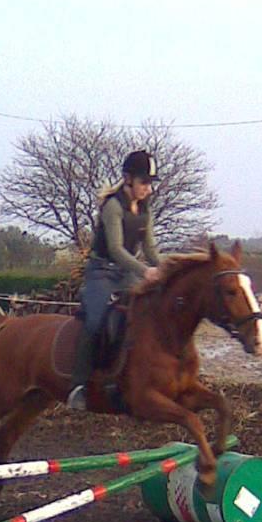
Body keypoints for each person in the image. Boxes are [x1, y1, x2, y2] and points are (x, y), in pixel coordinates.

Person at [67, 150, 163, 410]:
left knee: (144, 315)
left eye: (150, 183)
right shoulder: (112, 206)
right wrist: (146, 272)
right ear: (128, 179)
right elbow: (117, 249)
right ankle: (79, 385)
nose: (148, 189)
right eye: (144, 182)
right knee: (98, 320)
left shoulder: (145, 208)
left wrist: (166, 269)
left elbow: (151, 250)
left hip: (128, 273)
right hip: (102, 272)